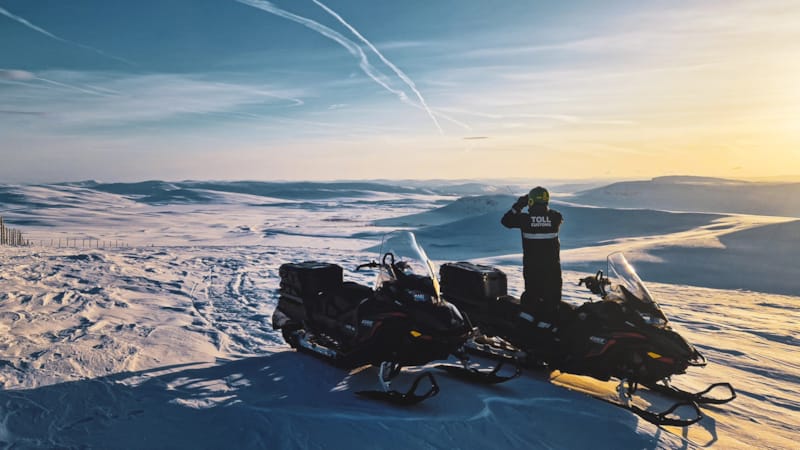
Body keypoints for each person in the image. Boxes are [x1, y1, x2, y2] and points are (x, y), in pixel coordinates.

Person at [501, 186, 564, 316]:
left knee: (533, 302)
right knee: (553, 303)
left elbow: (506, 221)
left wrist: (519, 205)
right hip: (553, 269)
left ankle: (530, 329)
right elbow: (554, 217)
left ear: (531, 201)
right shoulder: (556, 217)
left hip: (533, 269)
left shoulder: (524, 219)